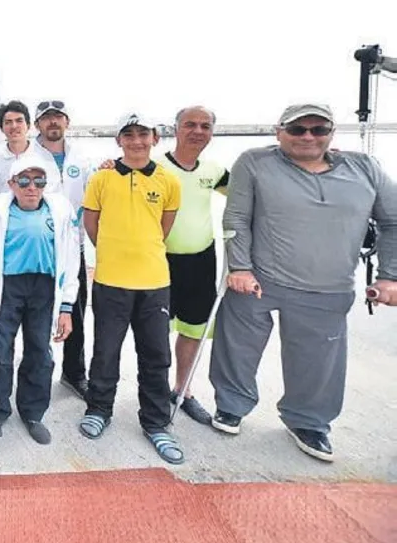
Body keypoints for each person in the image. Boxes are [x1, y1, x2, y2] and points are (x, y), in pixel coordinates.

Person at [210, 103, 397, 462]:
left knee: (318, 360)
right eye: (297, 129)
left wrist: (390, 275)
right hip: (259, 278)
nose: (308, 137)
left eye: (318, 129)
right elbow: (236, 217)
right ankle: (231, 405)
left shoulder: (365, 168)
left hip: (328, 286)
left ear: (331, 133)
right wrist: (240, 267)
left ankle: (308, 422)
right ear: (279, 132)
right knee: (237, 345)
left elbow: (393, 221)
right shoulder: (254, 162)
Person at [79, 113, 185, 465]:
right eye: (129, 134)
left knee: (156, 355)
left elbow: (164, 227)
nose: (136, 140)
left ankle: (156, 422)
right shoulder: (102, 178)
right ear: (118, 140)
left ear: (155, 138)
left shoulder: (169, 180)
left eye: (143, 134)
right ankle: (99, 409)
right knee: (105, 351)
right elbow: (91, 224)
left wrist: (140, 252)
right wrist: (114, 253)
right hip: (110, 281)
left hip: (155, 283)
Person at [0, 160, 80, 445]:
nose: (32, 188)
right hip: (7, 287)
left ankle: (33, 412)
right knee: (1, 350)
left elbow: (71, 259)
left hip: (44, 288)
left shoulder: (61, 209)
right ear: (11, 184)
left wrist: (66, 306)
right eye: (24, 181)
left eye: (39, 181)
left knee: (40, 351)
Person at [154, 106, 227, 425]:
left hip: (201, 260)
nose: (198, 131)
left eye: (205, 126)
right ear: (176, 129)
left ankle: (182, 390)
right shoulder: (155, 166)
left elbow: (249, 194)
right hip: (159, 260)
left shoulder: (214, 170)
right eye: (190, 125)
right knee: (156, 330)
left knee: (194, 329)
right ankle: (155, 389)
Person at [33, 100, 97, 399]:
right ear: (37, 125)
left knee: (76, 312)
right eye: (46, 118)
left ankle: (74, 373)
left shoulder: (82, 157)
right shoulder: (27, 155)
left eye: (58, 117)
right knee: (34, 313)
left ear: (67, 122)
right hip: (38, 247)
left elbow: (97, 195)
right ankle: (35, 372)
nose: (53, 122)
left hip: (74, 245)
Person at [0, 100, 60, 197]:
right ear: (1, 128)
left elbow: (53, 194)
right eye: (8, 122)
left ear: (28, 125)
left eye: (19, 121)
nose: (14, 126)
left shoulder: (45, 156)